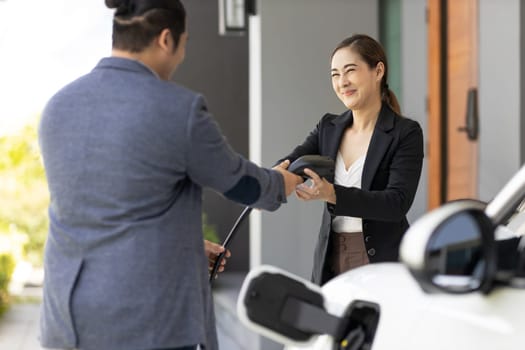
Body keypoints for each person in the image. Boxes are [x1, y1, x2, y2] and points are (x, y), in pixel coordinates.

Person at [38, 1, 302, 350]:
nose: (182, 56)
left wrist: (184, 247)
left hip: (66, 320)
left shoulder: (58, 106)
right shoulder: (179, 109)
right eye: (185, 43)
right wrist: (285, 181)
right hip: (143, 324)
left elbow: (108, 207)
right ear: (166, 39)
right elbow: (243, 184)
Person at [277, 34, 424, 285]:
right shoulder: (329, 127)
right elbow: (293, 161)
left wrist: (333, 194)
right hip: (330, 259)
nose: (342, 82)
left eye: (350, 71)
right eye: (335, 74)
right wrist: (266, 182)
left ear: (378, 71)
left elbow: (397, 203)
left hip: (384, 262)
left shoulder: (405, 132)